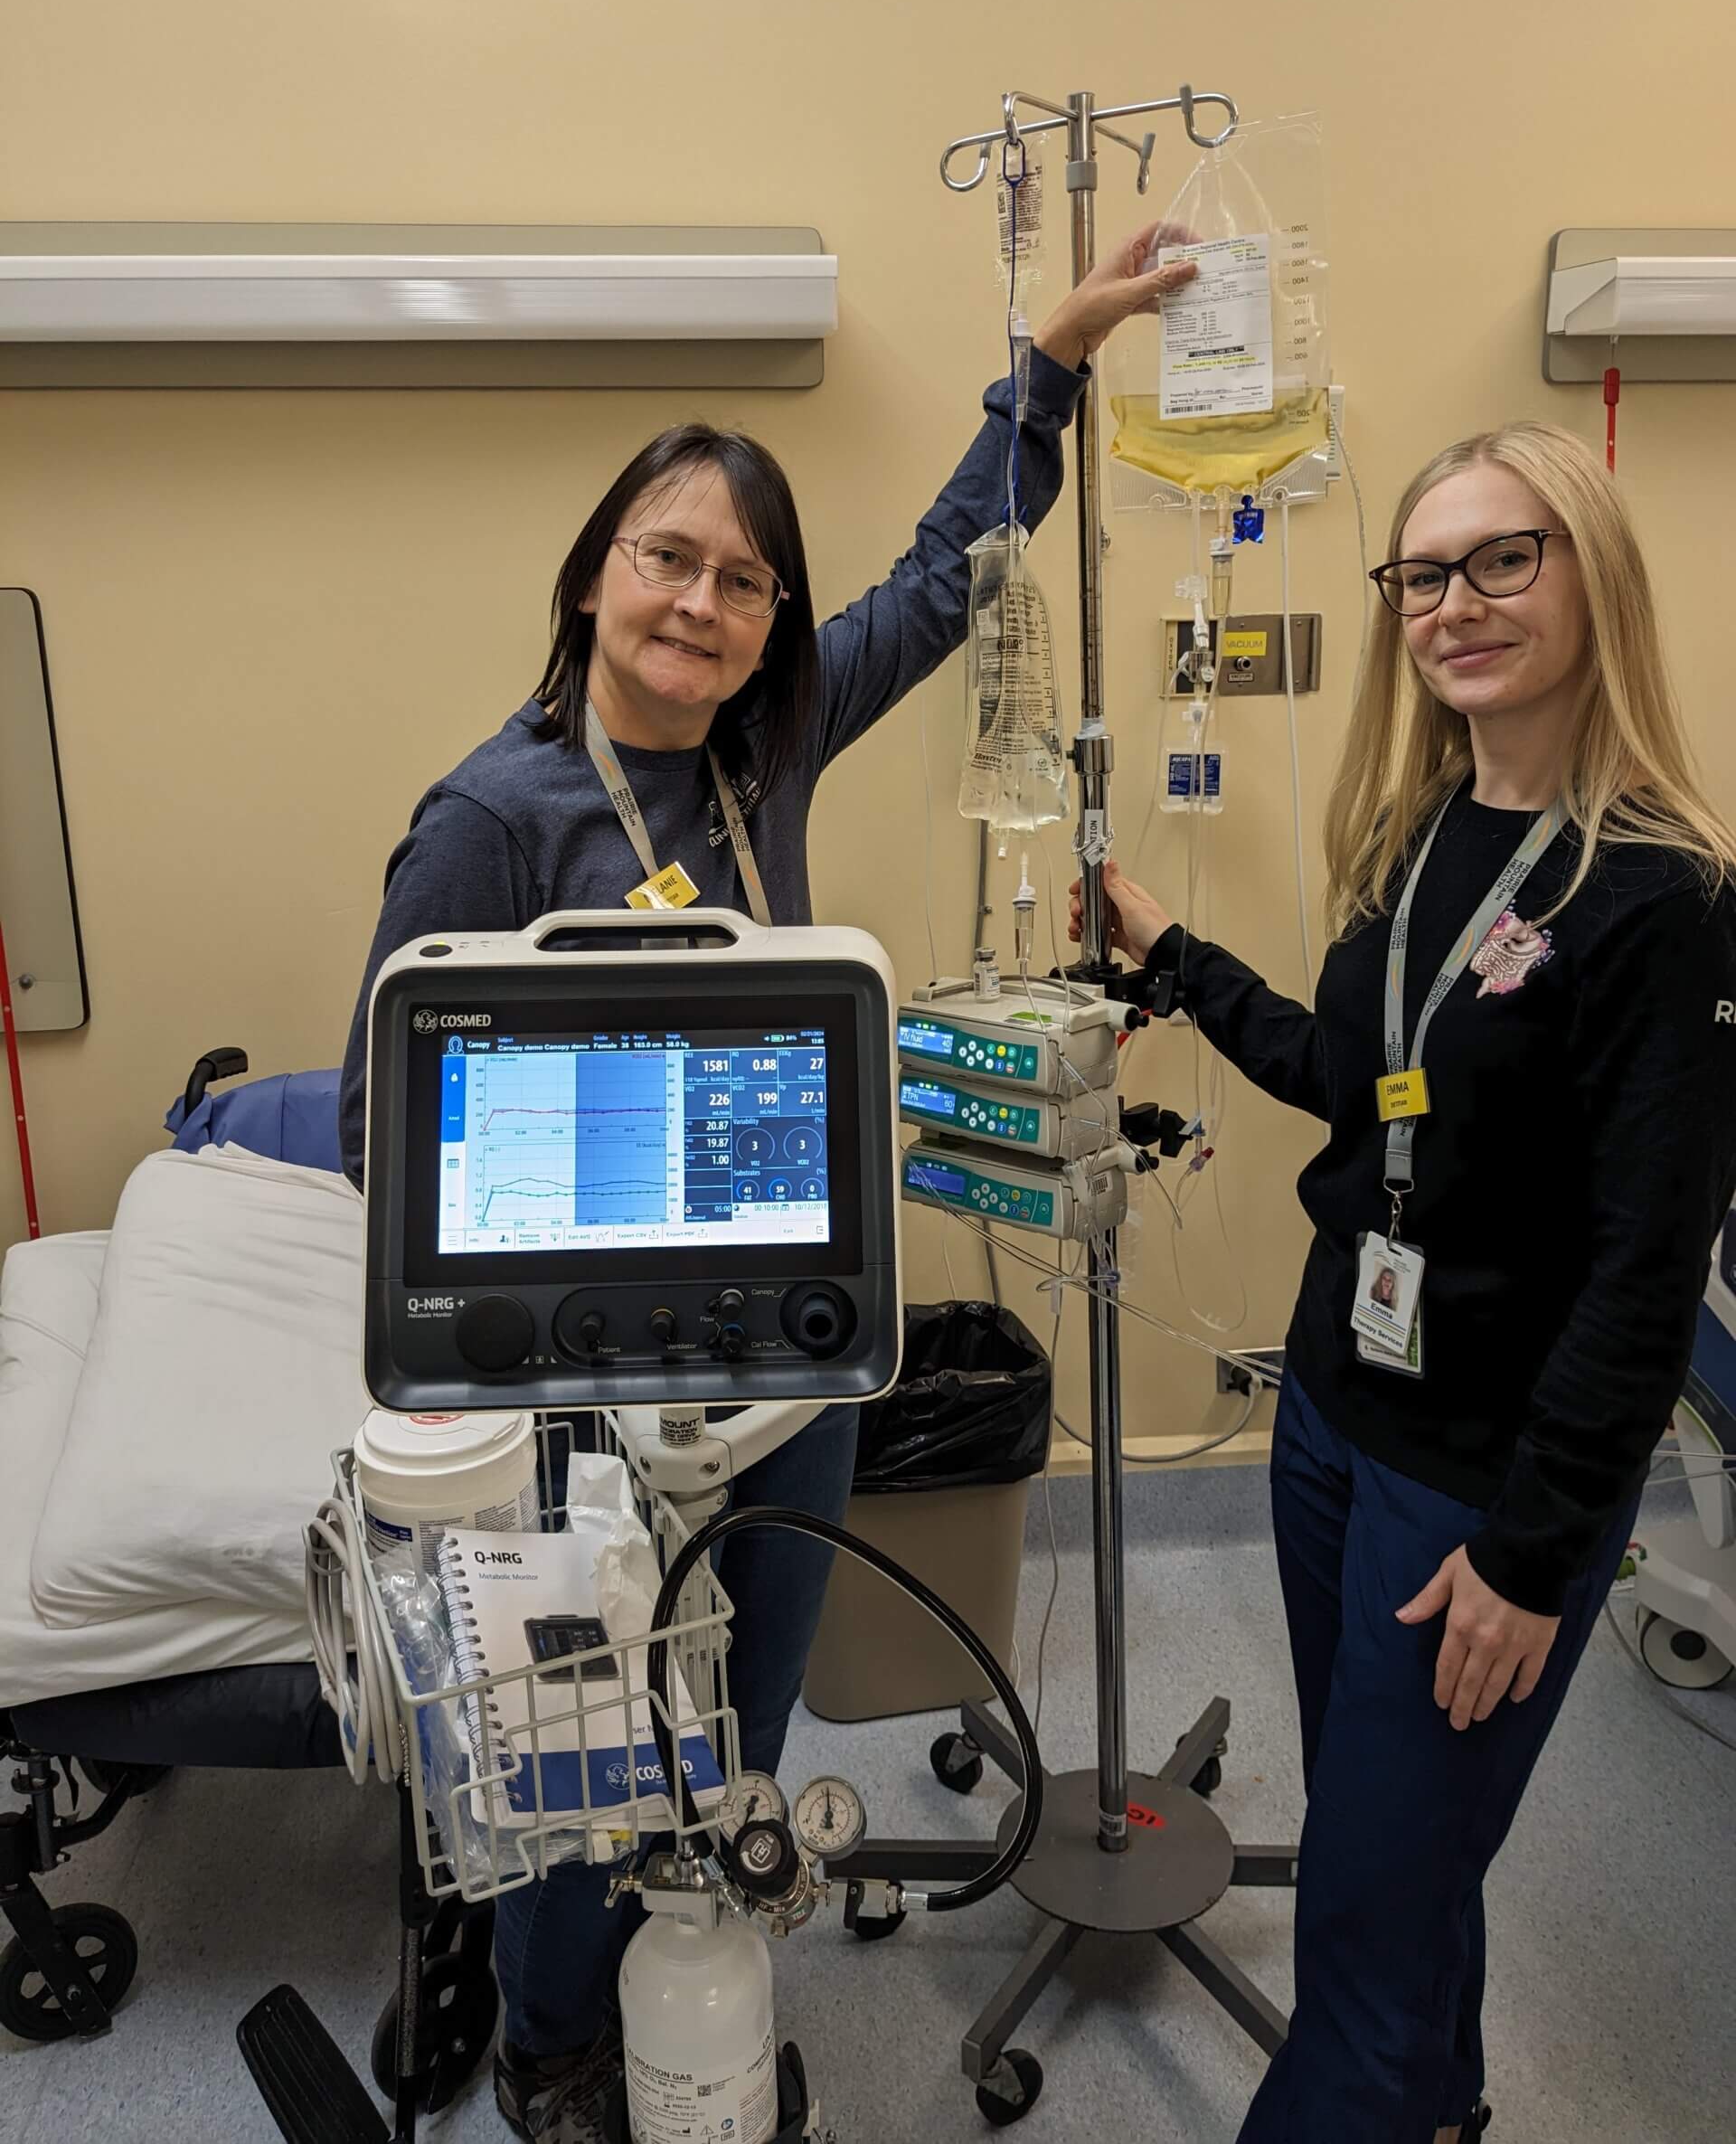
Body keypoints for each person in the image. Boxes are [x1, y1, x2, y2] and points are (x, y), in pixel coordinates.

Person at [338, 222, 1195, 2144]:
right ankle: (559, 2036)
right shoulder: (493, 819)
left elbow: (944, 577)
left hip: (783, 1379)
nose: (705, 601)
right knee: (582, 1757)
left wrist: (1048, 361)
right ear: (590, 574)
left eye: (744, 577)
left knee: (726, 1722)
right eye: (670, 555)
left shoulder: (768, 749)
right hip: (575, 1406)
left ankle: (694, 1977)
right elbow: (391, 1138)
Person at [1075, 422, 1736, 2142]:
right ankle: (1443, 2109)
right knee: (1398, 1847)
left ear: (1595, 572)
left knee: (1361, 1922)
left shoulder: (1664, 900)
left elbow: (1647, 1276)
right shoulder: (1428, 829)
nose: (1457, 602)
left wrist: (1530, 1555)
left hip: (1482, 1483)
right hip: (1333, 1415)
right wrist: (1173, 963)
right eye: (1426, 573)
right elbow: (1363, 1076)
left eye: (1506, 558)